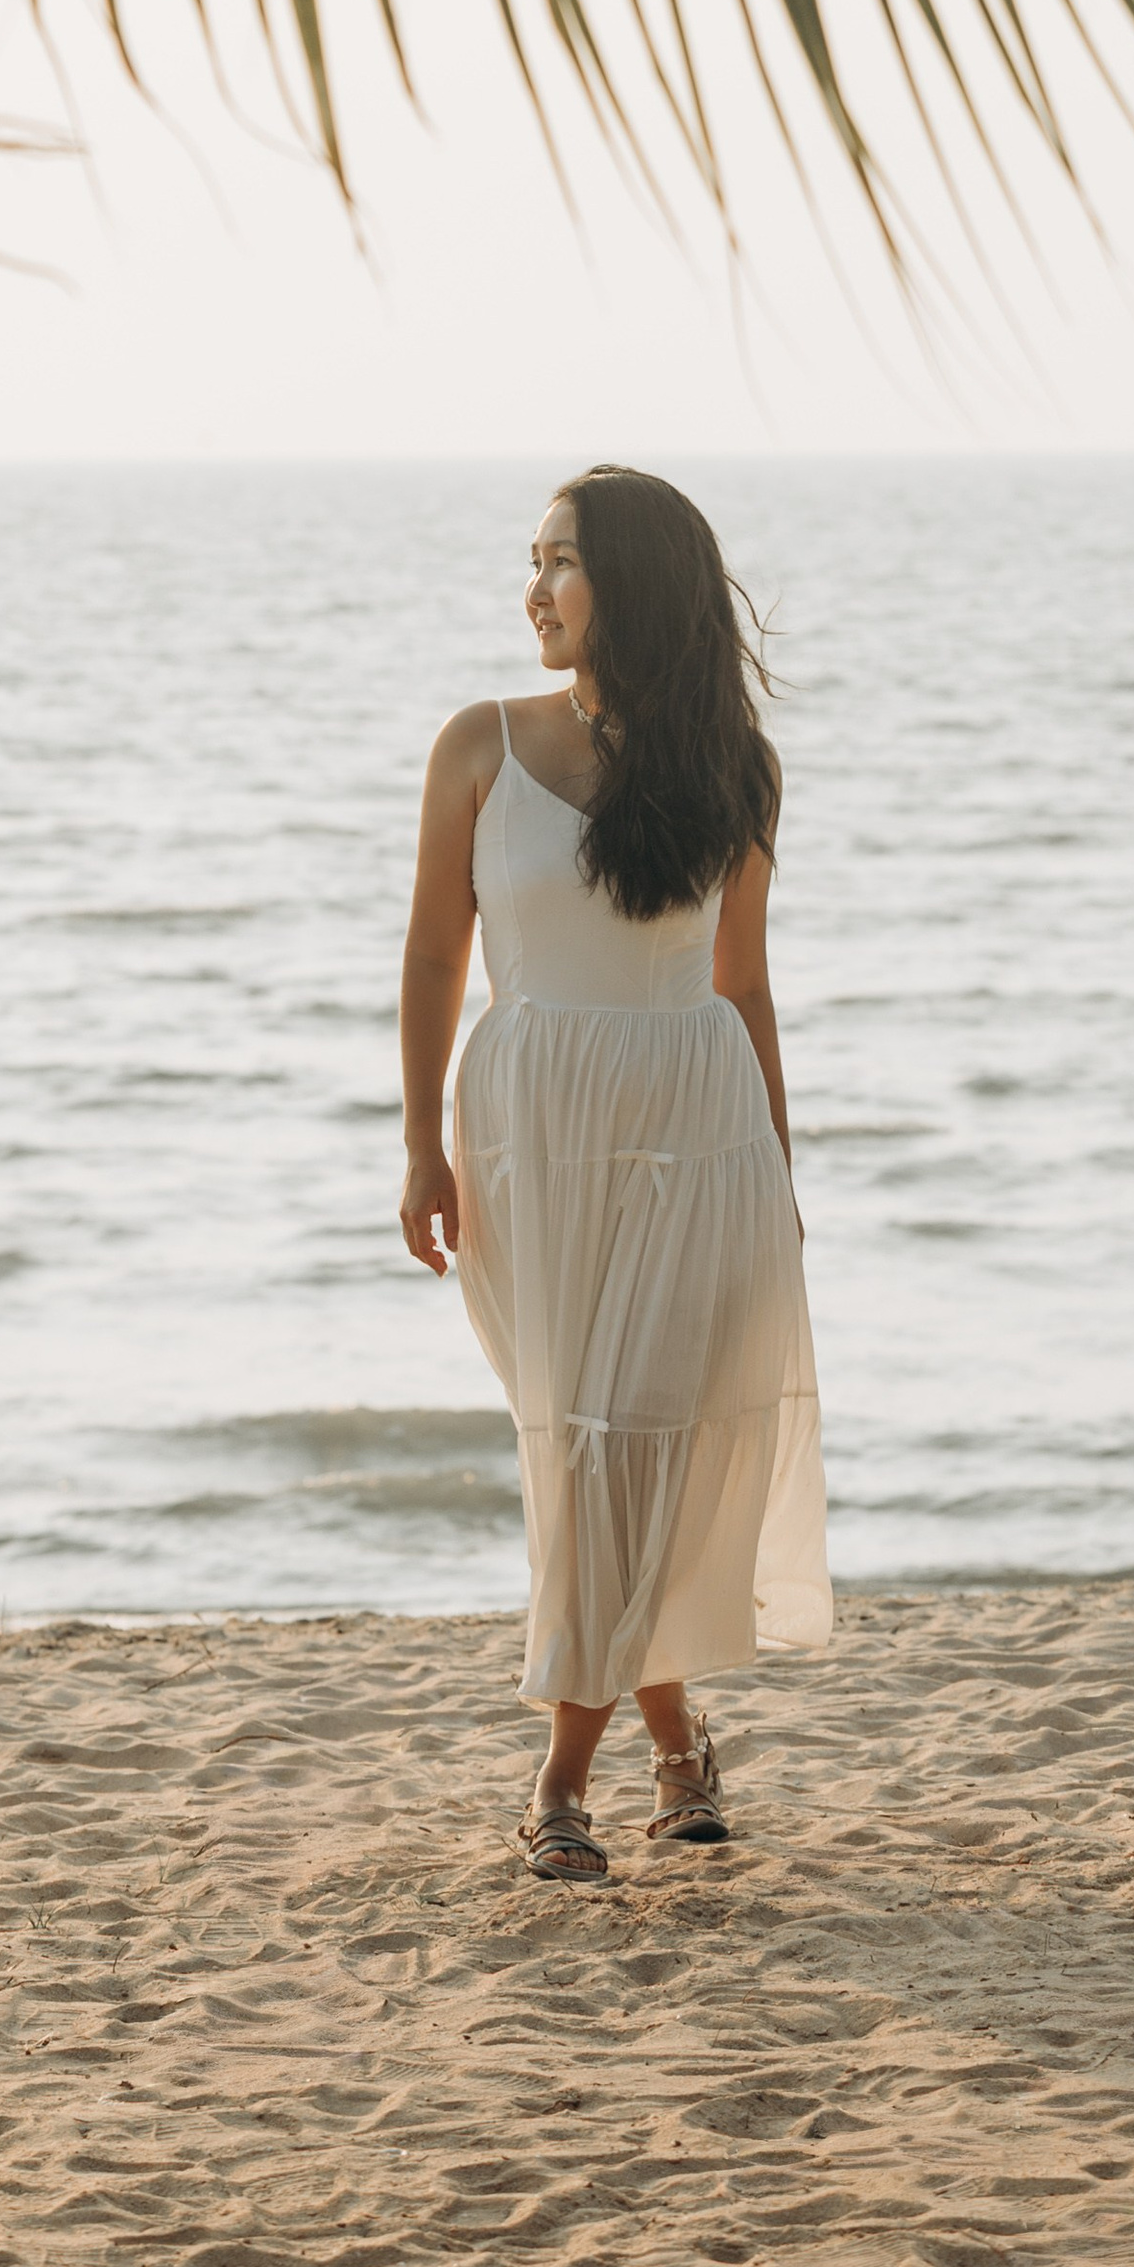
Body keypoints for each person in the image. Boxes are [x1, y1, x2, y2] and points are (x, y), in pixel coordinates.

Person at [398, 465, 830, 1880]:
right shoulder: (481, 745)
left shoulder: (733, 769)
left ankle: (562, 1783)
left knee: (625, 1441)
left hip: (695, 1127)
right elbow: (430, 959)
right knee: (588, 1441)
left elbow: (745, 985)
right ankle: (675, 1744)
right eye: (531, 560)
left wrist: (781, 1169)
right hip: (528, 1132)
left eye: (561, 562)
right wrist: (417, 1144)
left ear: (632, 583)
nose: (533, 589)